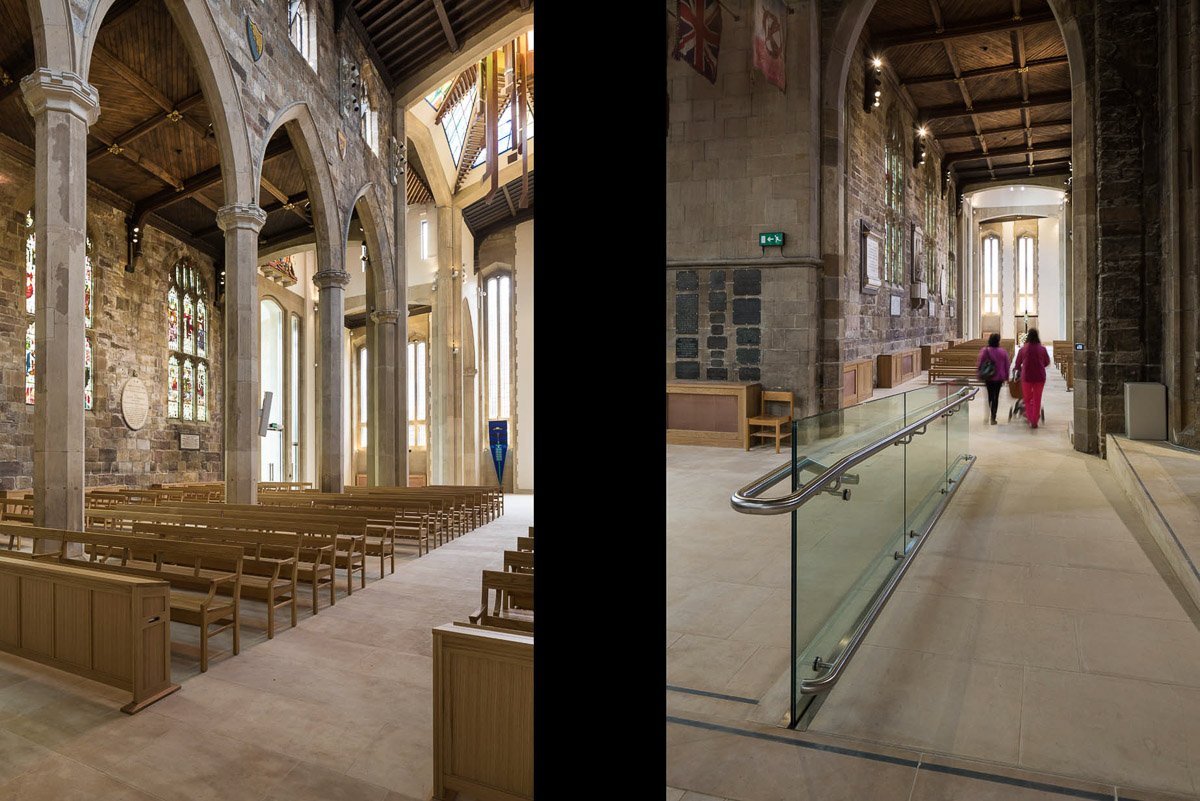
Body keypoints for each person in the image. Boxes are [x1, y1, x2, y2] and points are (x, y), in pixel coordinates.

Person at [1013, 328, 1051, 429]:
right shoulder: (1042, 349)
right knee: (1037, 399)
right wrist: (1040, 364)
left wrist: (1019, 368)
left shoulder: (1023, 349)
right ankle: (1035, 420)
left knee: (1027, 399)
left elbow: (1017, 364)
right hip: (1040, 377)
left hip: (1027, 377)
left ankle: (1031, 419)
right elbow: (1047, 362)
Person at [976, 333, 1010, 425]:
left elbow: (980, 363)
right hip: (999, 377)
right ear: (998, 341)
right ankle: (993, 417)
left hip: (988, 377)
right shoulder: (1003, 351)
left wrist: (979, 374)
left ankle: (987, 415)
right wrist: (1007, 377)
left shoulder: (985, 350)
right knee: (996, 396)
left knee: (990, 396)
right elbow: (1007, 365)